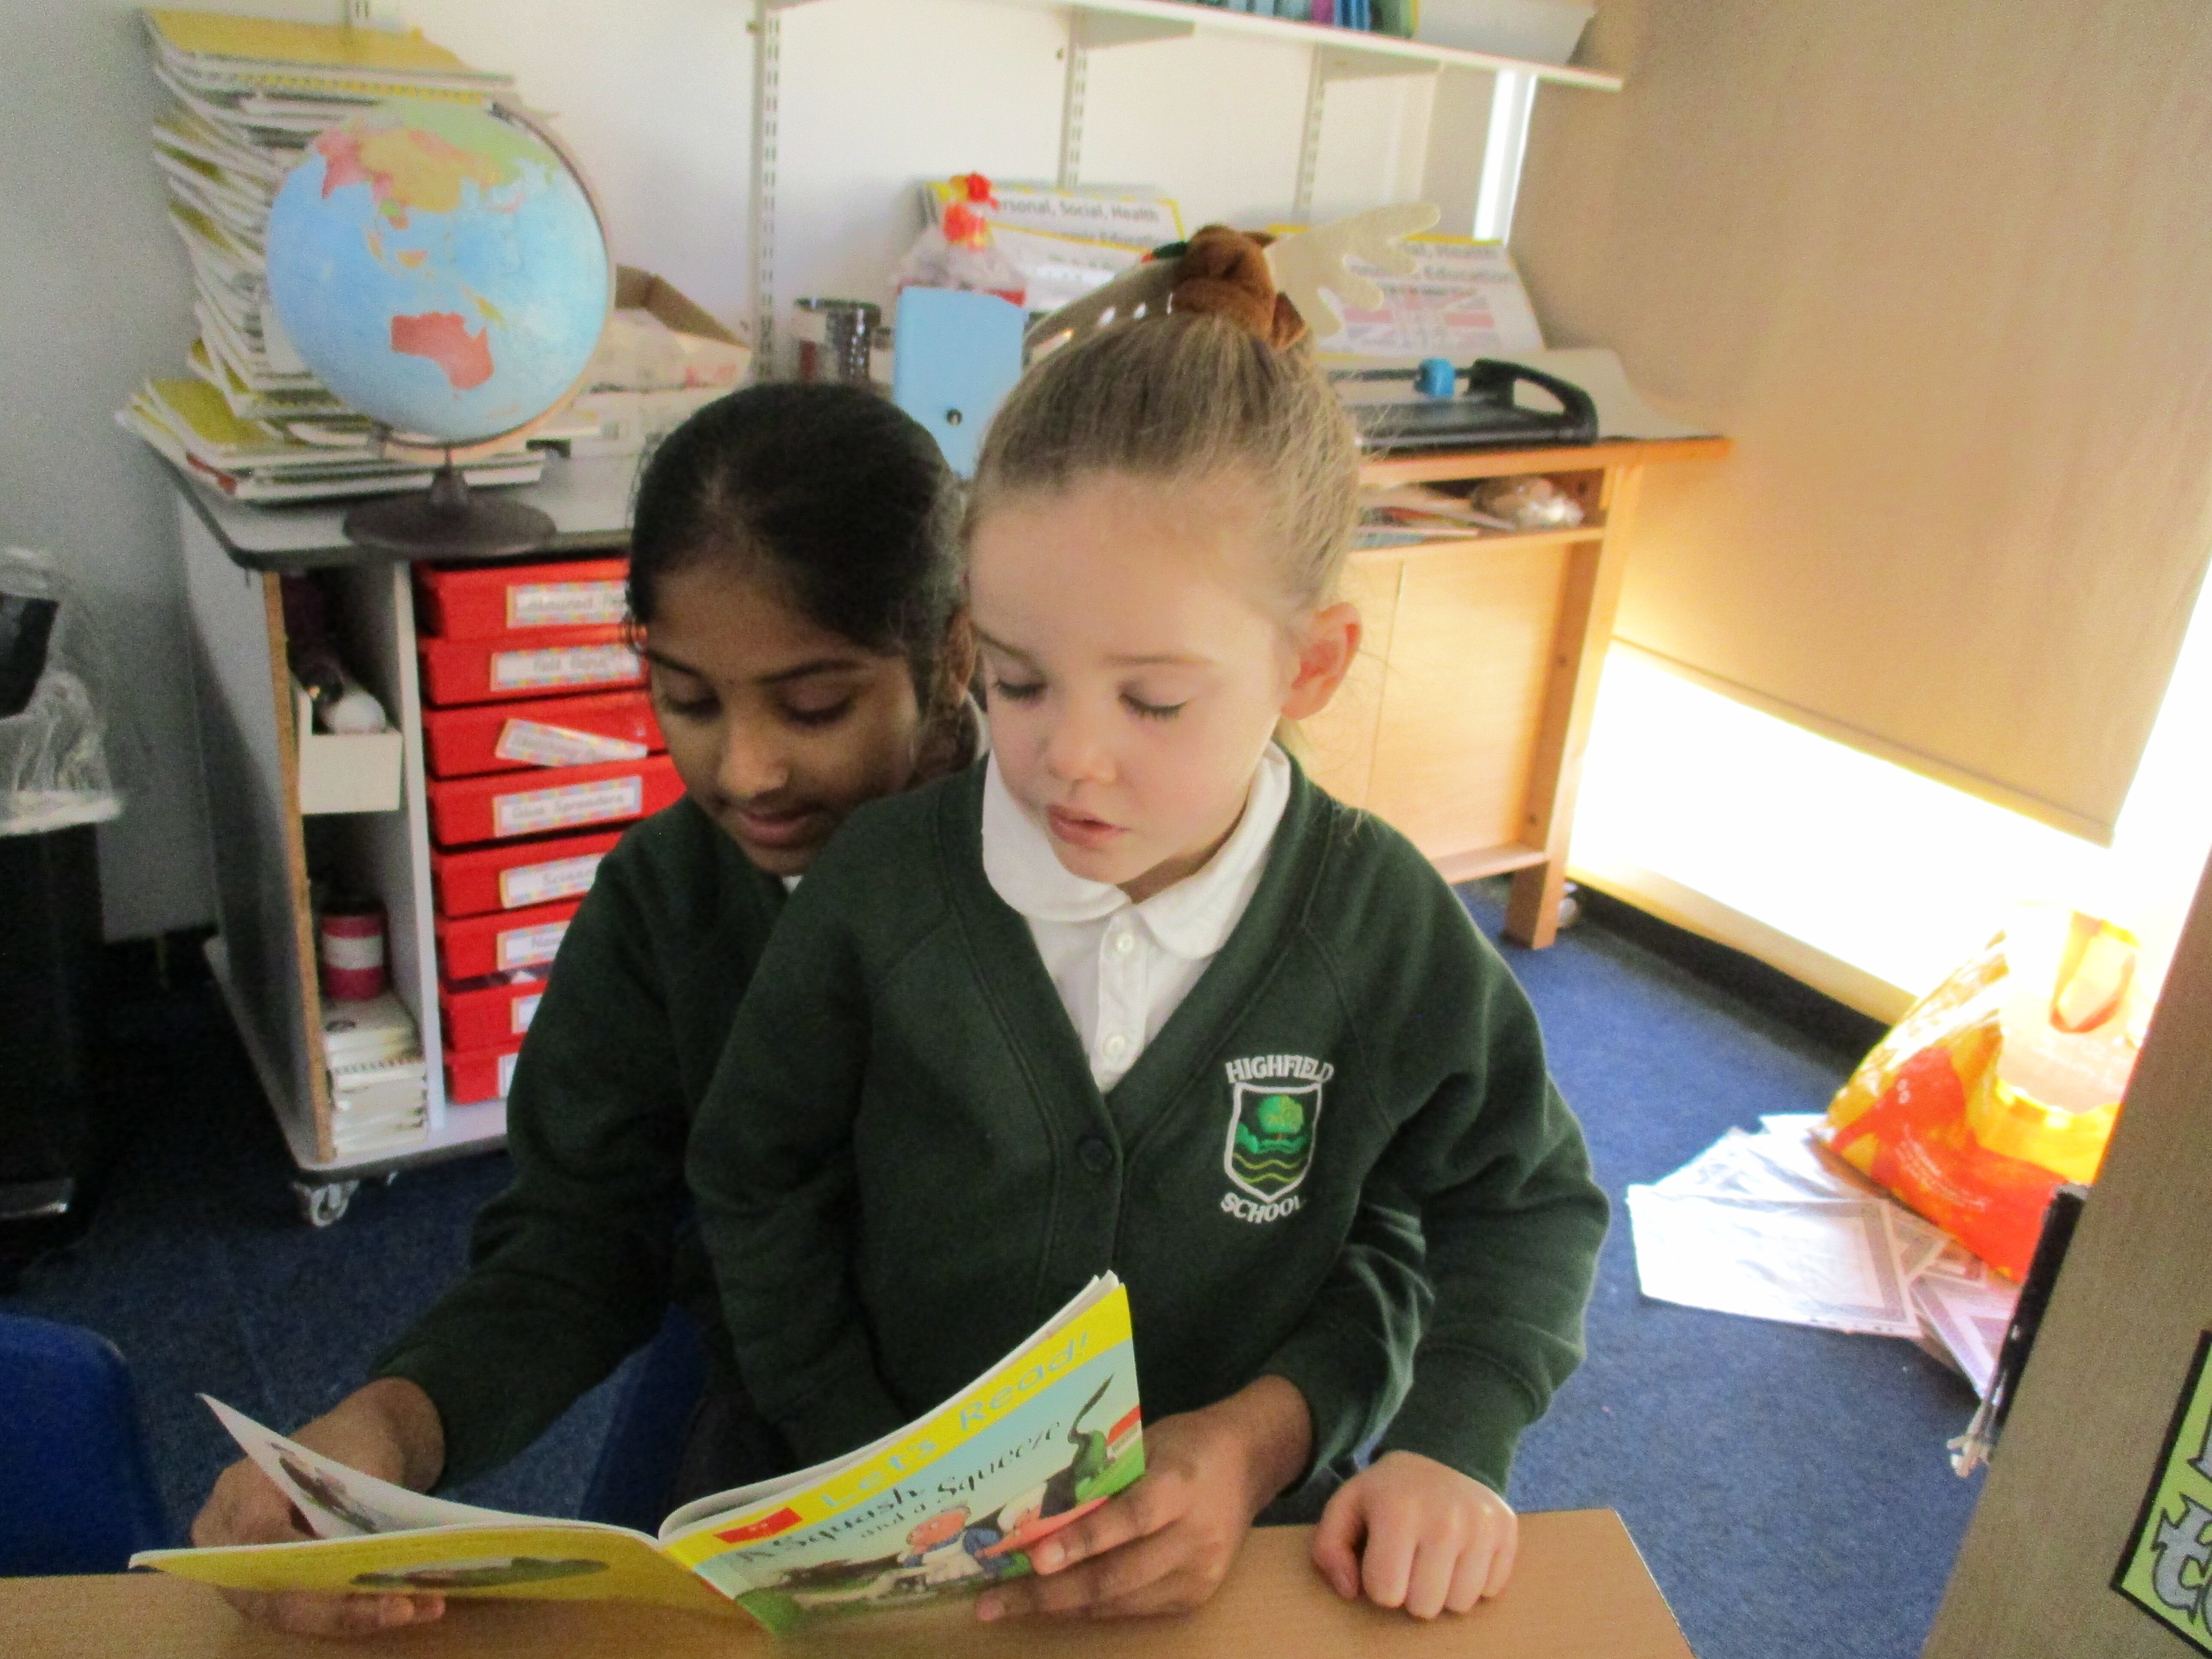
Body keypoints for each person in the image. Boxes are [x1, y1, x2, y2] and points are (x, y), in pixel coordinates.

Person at [684, 228, 1610, 1625]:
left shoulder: (1377, 924)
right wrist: (851, 1444)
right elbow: (757, 1179)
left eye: (1154, 701)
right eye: (1017, 680)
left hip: (1231, 1561)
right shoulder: (886, 889)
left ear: (1311, 666)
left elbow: (1522, 1199)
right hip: (893, 1553)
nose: (1070, 758)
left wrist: (1452, 1442)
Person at [187, 383, 984, 1635]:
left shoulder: (1076, 850)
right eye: (689, 700)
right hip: (798, 1451)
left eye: (814, 707)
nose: (747, 771)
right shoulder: (666, 903)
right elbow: (577, 1246)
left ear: (954, 657)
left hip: (1073, 1456)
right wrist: (386, 1427)